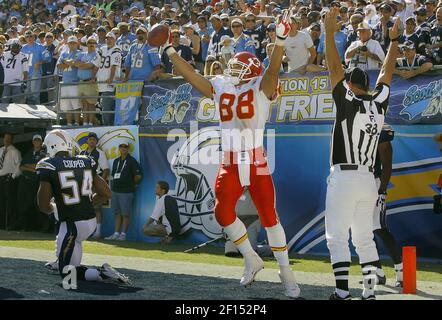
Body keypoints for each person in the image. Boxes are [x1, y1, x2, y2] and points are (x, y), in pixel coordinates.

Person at [160, 12, 301, 298]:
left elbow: (273, 71)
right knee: (222, 213)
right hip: (231, 160)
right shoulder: (223, 84)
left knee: (270, 217)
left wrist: (281, 41)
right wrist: (170, 52)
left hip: (255, 158)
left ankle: (286, 272)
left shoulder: (262, 85)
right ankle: (251, 257)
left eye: (239, 66)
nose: (233, 70)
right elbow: (193, 76)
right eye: (233, 65)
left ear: (251, 71)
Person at [324, 8, 399, 300]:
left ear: (351, 85)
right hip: (369, 178)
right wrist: (394, 42)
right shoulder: (378, 104)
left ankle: (342, 293)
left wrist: (330, 34)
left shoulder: (348, 101)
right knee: (365, 239)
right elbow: (387, 73)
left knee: (337, 238)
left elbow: (333, 68)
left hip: (345, 177)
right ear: (366, 87)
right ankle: (369, 293)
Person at [36, 129, 130, 285]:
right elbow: (107, 193)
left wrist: (54, 207)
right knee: (72, 260)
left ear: (52, 146)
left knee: (68, 277)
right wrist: (86, 203)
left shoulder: (49, 165)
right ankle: (64, 259)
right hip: (90, 221)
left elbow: (43, 206)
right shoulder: (85, 161)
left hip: (73, 225)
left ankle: (102, 273)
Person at [371, 125, 403, 288]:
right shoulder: (355, 124)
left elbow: (387, 163)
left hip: (375, 184)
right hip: (360, 182)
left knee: (380, 229)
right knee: (365, 232)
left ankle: (401, 271)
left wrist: (382, 189)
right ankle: (378, 272)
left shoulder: (381, 129)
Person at [105, 141, 142, 241]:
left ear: (128, 148)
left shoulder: (132, 161)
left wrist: (131, 184)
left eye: (125, 147)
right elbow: (113, 174)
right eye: (121, 146)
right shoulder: (116, 161)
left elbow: (138, 176)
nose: (123, 148)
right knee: (117, 213)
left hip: (126, 191)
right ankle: (116, 233)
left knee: (125, 214)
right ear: (119, 148)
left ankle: (123, 234)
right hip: (115, 190)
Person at [12, 134, 47, 231]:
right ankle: (23, 225)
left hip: (36, 182)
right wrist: (32, 168)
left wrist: (29, 166)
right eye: (35, 140)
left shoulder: (44, 154)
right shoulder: (29, 152)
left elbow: (39, 166)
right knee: (23, 203)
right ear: (32, 142)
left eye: (38, 140)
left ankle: (41, 226)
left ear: (41, 142)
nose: (36, 142)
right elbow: (21, 167)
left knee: (35, 204)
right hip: (25, 181)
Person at [79, 132, 109, 239]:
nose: (92, 141)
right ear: (87, 141)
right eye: (90, 139)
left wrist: (101, 184)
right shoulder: (81, 153)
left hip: (94, 182)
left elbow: (105, 169)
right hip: (83, 184)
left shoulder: (99, 153)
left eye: (94, 140)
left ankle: (98, 231)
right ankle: (85, 230)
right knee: (84, 207)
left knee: (96, 207)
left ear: (96, 142)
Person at [97, 32, 122, 126]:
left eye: (111, 38)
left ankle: (108, 126)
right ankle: (108, 125)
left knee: (107, 108)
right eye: (107, 38)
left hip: (110, 83)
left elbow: (114, 66)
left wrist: (111, 78)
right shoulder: (102, 48)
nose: (108, 40)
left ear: (115, 39)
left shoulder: (116, 49)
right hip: (102, 83)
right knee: (105, 107)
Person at [57, 35, 82, 126]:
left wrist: (67, 63)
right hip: (65, 82)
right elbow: (59, 66)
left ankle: (76, 123)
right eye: (70, 43)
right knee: (67, 106)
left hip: (75, 82)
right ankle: (69, 123)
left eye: (73, 43)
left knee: (76, 105)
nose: (72, 44)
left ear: (77, 43)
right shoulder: (64, 53)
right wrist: (69, 63)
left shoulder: (80, 53)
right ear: (67, 43)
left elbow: (77, 64)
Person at [75, 36, 100, 126]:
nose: (91, 44)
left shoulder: (97, 55)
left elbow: (90, 66)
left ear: (96, 44)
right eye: (90, 43)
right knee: (84, 104)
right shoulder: (82, 54)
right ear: (87, 44)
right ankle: (85, 123)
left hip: (91, 82)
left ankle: (90, 123)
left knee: (91, 104)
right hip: (81, 82)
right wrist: (84, 65)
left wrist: (82, 65)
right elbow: (76, 63)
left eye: (93, 43)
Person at [0, 132, 21, 230]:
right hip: (0, 178)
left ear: (12, 140)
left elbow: (19, 166)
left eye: (9, 138)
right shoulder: (0, 150)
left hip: (8, 178)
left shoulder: (15, 151)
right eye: (5, 138)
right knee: (1, 201)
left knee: (10, 202)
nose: (7, 140)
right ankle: (1, 223)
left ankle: (11, 223)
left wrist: (12, 177)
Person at [21, 30, 46, 104]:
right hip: (26, 72)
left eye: (31, 36)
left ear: (34, 37)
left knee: (35, 92)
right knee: (27, 92)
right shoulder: (23, 48)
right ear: (25, 38)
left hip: (36, 71)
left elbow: (48, 58)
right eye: (27, 36)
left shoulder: (40, 46)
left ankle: (37, 112)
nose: (29, 38)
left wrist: (40, 62)